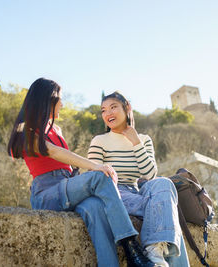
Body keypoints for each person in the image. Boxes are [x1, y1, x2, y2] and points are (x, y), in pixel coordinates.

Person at [8, 78, 155, 267]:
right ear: (48, 100)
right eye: (60, 98)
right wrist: (95, 166)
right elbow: (53, 152)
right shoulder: (25, 129)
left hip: (67, 186)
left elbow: (63, 161)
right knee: (100, 176)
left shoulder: (57, 129)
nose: (62, 103)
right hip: (46, 192)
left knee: (95, 207)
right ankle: (131, 247)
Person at [88, 92, 190, 267]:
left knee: (164, 183)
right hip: (114, 192)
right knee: (167, 211)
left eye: (113, 107)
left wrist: (136, 142)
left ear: (127, 108)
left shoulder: (144, 139)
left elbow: (150, 174)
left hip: (138, 191)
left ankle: (153, 249)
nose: (108, 114)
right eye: (104, 110)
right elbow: (94, 176)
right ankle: (159, 255)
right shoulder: (100, 141)